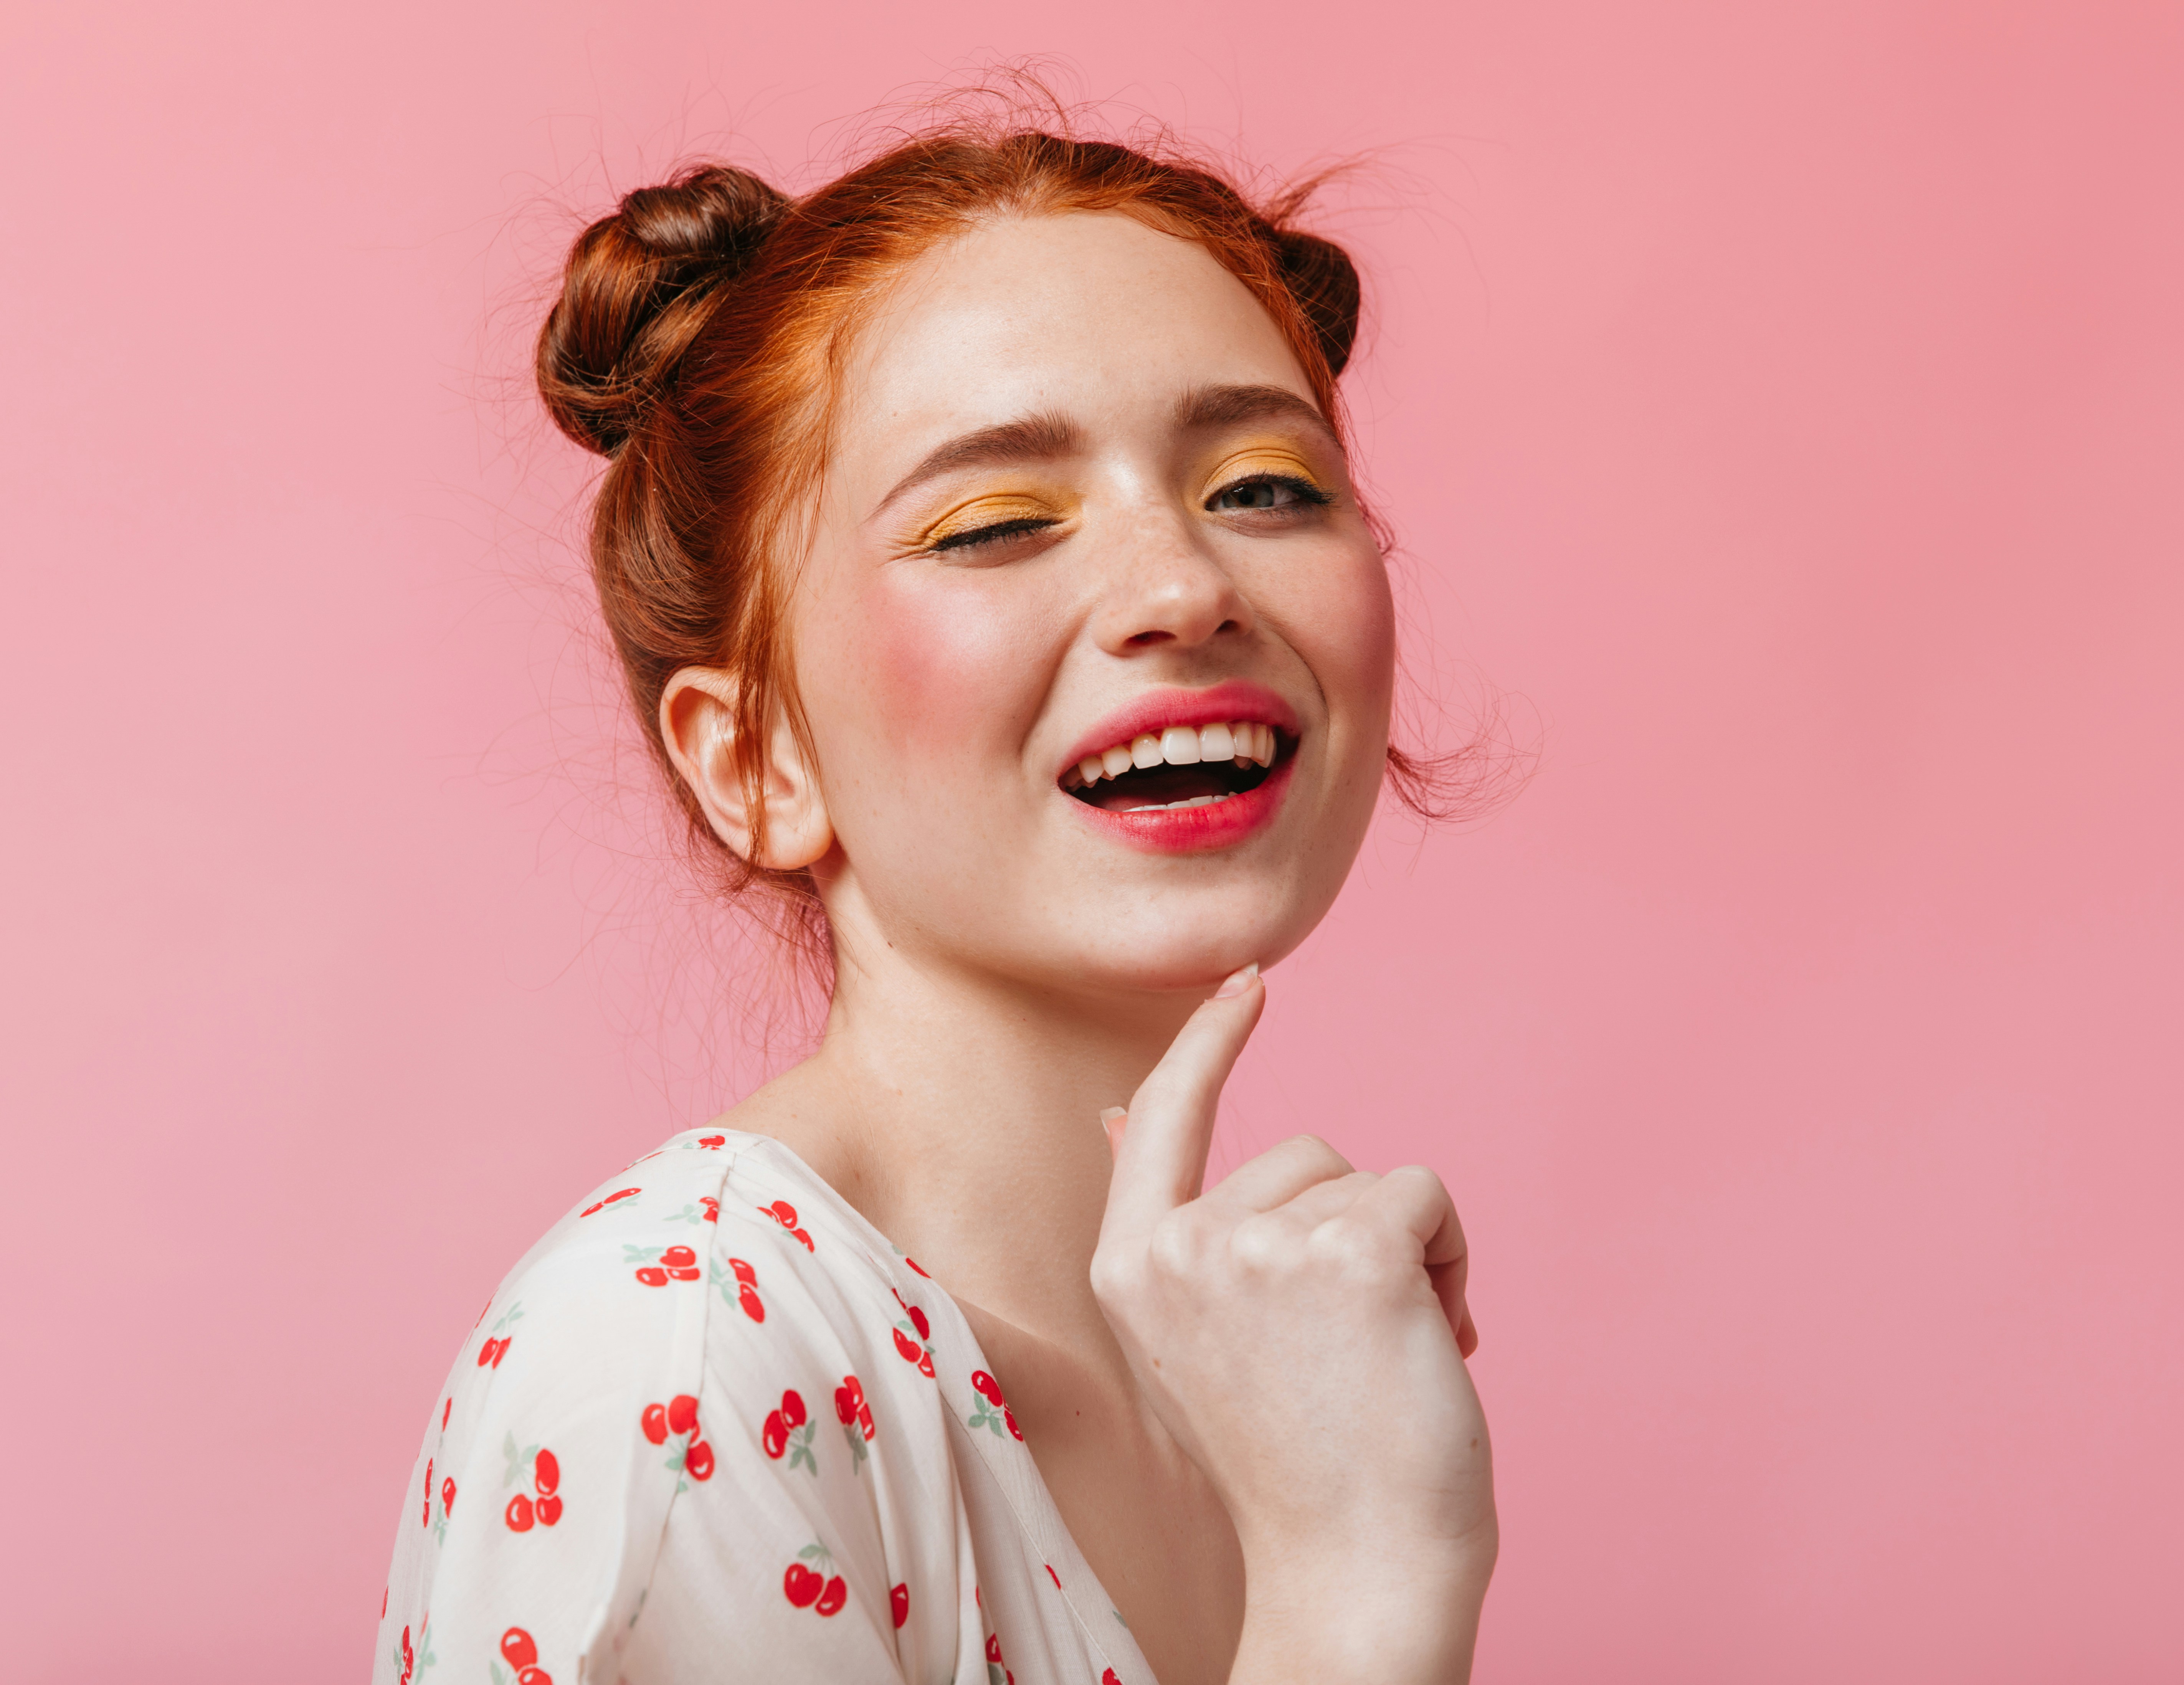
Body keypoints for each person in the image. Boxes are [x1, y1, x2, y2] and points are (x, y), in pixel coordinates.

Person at [375, 112, 1497, 1685]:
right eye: (993, 525)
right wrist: (1353, 1595)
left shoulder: (1258, 1386)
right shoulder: (684, 1358)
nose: (1187, 586)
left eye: (1262, 486)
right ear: (754, 757)